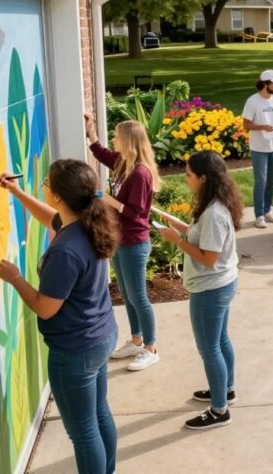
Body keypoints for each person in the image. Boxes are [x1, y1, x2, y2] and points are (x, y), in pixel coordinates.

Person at [0, 160, 119, 473]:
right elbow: (49, 217)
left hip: (76, 351)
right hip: (100, 336)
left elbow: (45, 307)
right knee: (99, 413)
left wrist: (15, 278)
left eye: (46, 184)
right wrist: (17, 192)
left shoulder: (66, 249)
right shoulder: (85, 224)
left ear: (59, 196)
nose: (45, 188)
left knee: (83, 431)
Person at [153, 152, 245, 430]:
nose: (185, 178)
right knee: (220, 340)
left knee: (209, 348)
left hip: (211, 289)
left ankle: (219, 410)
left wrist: (177, 240)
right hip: (221, 284)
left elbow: (208, 257)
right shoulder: (213, 206)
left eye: (188, 174)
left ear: (204, 179)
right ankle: (225, 390)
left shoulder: (215, 213)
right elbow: (200, 236)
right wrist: (172, 222)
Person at [84, 116, 161, 371]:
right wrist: (91, 132)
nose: (114, 140)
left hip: (134, 243)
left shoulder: (139, 173)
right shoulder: (123, 164)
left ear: (128, 141)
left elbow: (135, 212)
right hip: (121, 240)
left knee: (138, 296)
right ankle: (136, 340)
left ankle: (151, 348)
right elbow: (102, 153)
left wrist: (106, 199)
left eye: (117, 136)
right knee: (127, 295)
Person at [242, 69, 273, 229]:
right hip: (259, 147)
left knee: (272, 182)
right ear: (265, 84)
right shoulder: (253, 101)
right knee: (260, 181)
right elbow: (246, 124)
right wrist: (263, 127)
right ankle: (259, 215)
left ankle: (268, 211)